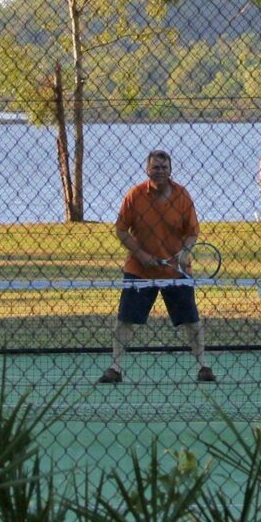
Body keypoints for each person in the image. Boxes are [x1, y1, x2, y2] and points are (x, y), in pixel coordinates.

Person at [101, 148, 213, 384]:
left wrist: (185, 251)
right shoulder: (135, 195)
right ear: (147, 169)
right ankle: (115, 368)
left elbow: (192, 233)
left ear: (170, 170)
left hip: (176, 271)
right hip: (139, 270)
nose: (160, 171)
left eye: (164, 167)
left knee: (192, 320)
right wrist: (140, 254)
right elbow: (121, 230)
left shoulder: (183, 196)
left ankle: (204, 366)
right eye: (155, 167)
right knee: (125, 320)